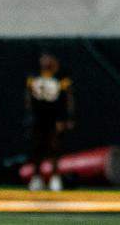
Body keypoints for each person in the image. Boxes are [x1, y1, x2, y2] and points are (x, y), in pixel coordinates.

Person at [24, 53, 74, 192]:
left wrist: (67, 117)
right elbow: (28, 95)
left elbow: (67, 97)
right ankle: (36, 177)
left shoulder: (61, 76)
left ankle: (55, 177)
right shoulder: (34, 75)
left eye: (48, 59)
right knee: (37, 147)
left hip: (54, 116)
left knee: (55, 147)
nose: (45, 61)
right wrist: (30, 114)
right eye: (43, 59)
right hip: (39, 116)